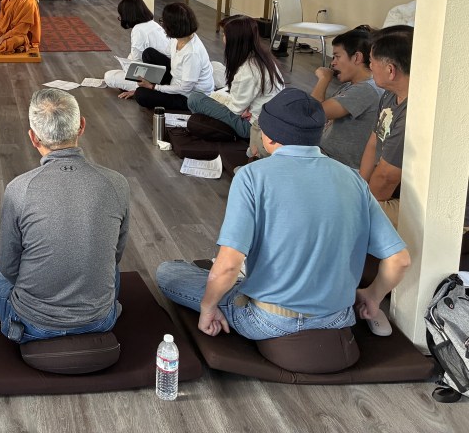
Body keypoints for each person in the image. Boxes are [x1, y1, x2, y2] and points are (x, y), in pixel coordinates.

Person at [157, 88, 410, 340]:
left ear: (268, 137)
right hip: (337, 317)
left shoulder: (251, 176)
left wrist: (208, 308)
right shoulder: (353, 179)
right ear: (320, 131)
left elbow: (229, 265)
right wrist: (373, 296)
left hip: (269, 320)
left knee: (169, 272)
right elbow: (399, 260)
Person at [0, 89, 129, 342]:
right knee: (109, 268)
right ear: (81, 126)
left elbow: (8, 266)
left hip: (35, 324)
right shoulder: (117, 183)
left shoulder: (19, 188)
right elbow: (116, 254)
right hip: (100, 320)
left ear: (33, 137)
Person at [186, 15, 283, 140]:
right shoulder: (265, 59)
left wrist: (233, 107)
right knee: (216, 93)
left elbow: (235, 110)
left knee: (195, 99)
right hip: (262, 119)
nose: (223, 37)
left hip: (251, 127)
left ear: (234, 40)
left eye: (225, 34)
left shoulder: (248, 70)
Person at [360, 30, 412, 226]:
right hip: (393, 191)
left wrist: (361, 204)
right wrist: (361, 187)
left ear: (391, 70)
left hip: (427, 207)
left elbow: (386, 178)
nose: (370, 66)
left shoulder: (413, 115)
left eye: (372, 61)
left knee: (346, 215)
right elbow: (373, 143)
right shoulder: (390, 95)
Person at [312, 28, 383, 169]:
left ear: (357, 57)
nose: (333, 63)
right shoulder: (352, 85)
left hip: (340, 167)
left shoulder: (366, 90)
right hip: (327, 158)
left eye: (337, 56)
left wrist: (324, 79)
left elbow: (313, 113)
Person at [122, 2, 215, 110]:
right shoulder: (178, 38)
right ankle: (150, 86)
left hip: (189, 97)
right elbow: (166, 54)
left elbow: (185, 88)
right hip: (176, 80)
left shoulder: (192, 53)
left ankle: (150, 88)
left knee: (140, 94)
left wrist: (153, 87)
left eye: (163, 22)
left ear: (172, 26)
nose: (162, 25)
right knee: (148, 53)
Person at [103, 0, 166, 93]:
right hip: (163, 71)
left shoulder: (138, 30)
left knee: (109, 76)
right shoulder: (154, 24)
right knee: (130, 57)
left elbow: (137, 63)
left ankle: (139, 88)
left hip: (154, 77)